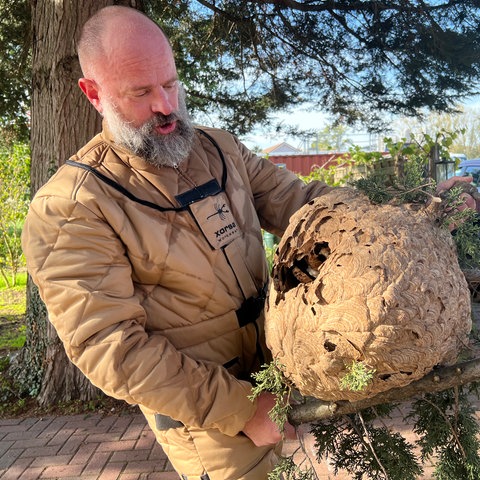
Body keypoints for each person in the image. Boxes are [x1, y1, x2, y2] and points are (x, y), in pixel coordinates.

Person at [21, 6, 333, 480]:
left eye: (169, 83)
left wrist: (393, 215)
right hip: (211, 424)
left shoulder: (219, 149)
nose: (166, 106)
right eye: (142, 92)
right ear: (93, 94)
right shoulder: (71, 206)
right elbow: (111, 350)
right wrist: (241, 409)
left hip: (279, 376)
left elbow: (301, 202)